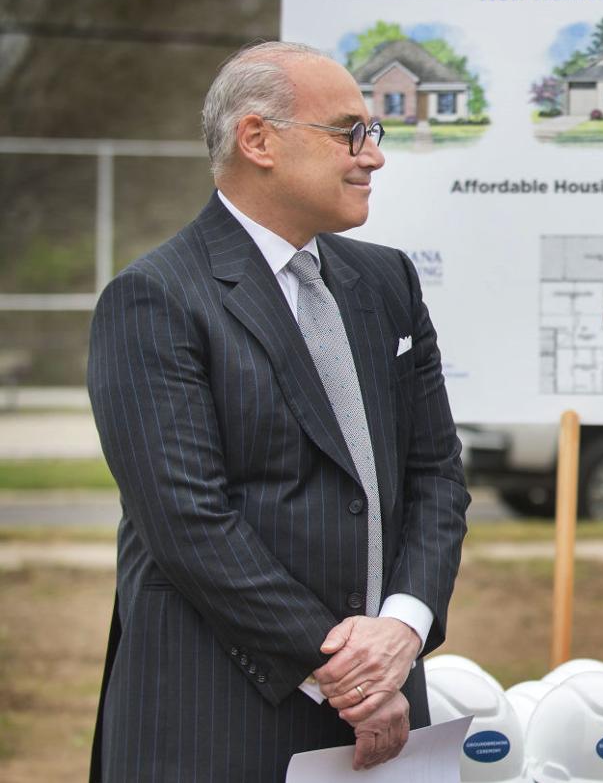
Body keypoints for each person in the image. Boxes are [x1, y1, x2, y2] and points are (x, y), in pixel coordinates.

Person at [85, 42, 470, 781]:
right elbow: (189, 523)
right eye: (348, 132)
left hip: (384, 706)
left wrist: (404, 627)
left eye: (374, 134)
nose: (373, 157)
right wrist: (340, 671)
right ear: (258, 139)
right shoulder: (156, 300)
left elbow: (436, 478)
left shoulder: (386, 281)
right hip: (218, 714)